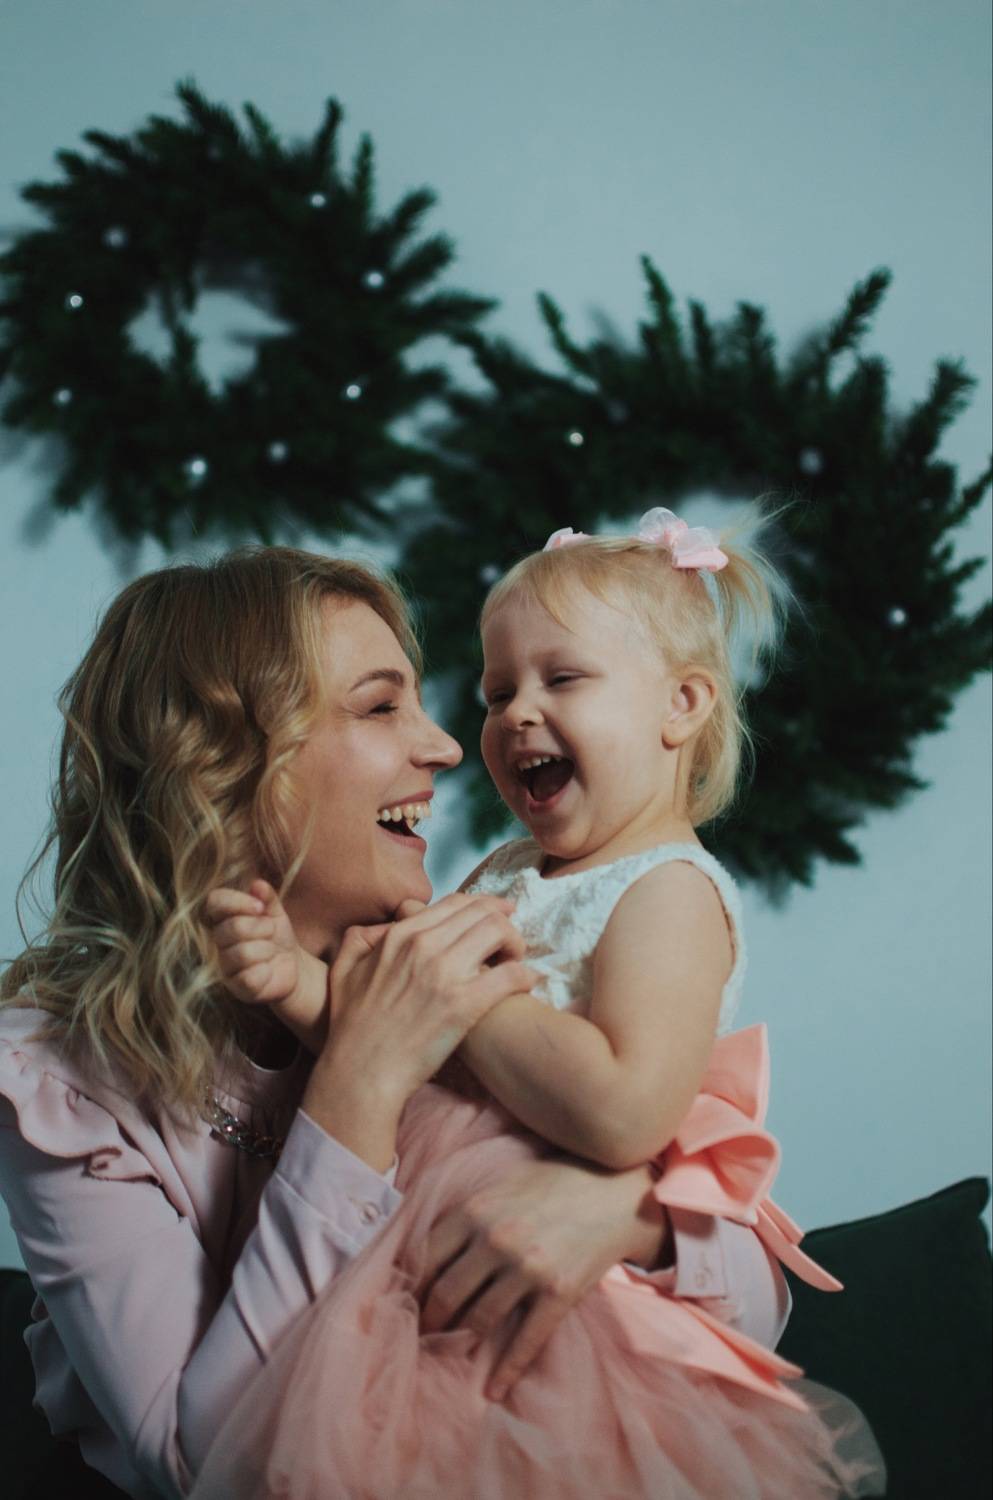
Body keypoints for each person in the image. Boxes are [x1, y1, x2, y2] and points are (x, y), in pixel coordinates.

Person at [0, 546, 801, 1500]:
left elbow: (748, 1311)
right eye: (381, 707)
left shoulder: (451, 944)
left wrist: (629, 1217)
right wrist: (359, 1077)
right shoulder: (55, 1076)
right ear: (223, 764)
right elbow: (199, 1465)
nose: (450, 746)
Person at [191, 514, 885, 1499]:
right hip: (415, 1266)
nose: (517, 713)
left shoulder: (667, 891)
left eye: (562, 680)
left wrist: (459, 995)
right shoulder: (505, 871)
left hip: (560, 1306)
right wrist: (296, 982)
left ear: (682, 704)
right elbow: (391, 1042)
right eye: (497, 692)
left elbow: (625, 1114)